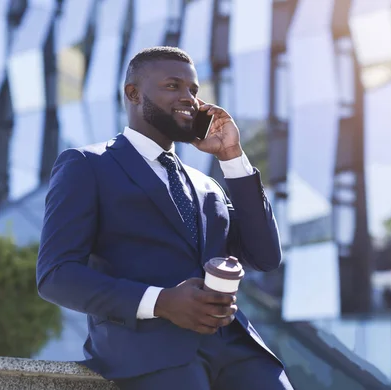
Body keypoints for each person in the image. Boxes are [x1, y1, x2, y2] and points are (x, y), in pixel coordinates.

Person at [36, 46, 294, 390]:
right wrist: (162, 302)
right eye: (173, 86)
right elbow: (56, 275)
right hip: (147, 352)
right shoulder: (87, 165)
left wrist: (232, 157)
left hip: (235, 350)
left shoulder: (208, 185)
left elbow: (265, 256)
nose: (189, 98)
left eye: (194, 90)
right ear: (133, 93)